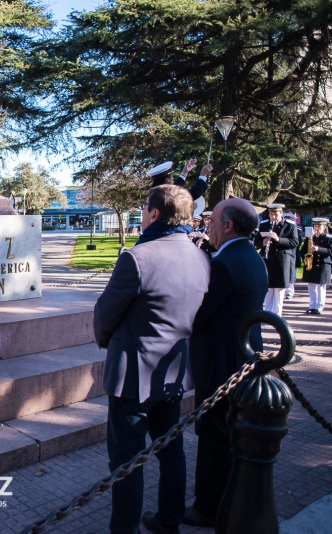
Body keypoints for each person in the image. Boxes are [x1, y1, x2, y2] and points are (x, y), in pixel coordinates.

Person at [93, 185, 211, 534]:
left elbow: (105, 314)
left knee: (126, 460)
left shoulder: (138, 257)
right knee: (171, 450)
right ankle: (168, 520)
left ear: (154, 214)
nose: (142, 213)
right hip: (173, 373)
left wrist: (103, 339)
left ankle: (125, 529)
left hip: (133, 374)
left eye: (144, 207)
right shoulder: (201, 256)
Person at [185, 197, 268, 527]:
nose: (209, 225)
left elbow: (199, 314)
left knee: (213, 434)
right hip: (243, 358)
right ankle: (226, 497)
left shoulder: (225, 264)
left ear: (228, 225)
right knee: (228, 435)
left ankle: (208, 506)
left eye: (213, 220)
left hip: (220, 363)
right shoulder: (252, 257)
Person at [252, 203, 299, 316]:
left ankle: (276, 315)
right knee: (268, 289)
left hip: (282, 260)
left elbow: (294, 242)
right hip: (268, 259)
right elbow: (255, 241)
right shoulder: (264, 225)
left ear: (281, 214)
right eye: (271, 214)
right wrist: (261, 243)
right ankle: (267, 314)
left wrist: (278, 239)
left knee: (278, 289)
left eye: (275, 214)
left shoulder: (290, 225)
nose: (273, 217)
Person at [300, 218, 332, 314]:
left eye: (319, 226)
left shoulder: (329, 238)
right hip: (311, 263)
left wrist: (318, 249)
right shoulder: (309, 237)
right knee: (311, 286)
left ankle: (319, 307)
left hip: (323, 264)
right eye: (315, 226)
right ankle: (312, 305)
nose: (316, 228)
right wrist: (304, 257)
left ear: (324, 227)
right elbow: (302, 250)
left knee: (320, 287)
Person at [146, 159, 212, 201]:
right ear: (167, 179)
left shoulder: (155, 195)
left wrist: (185, 172)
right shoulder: (168, 197)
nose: (173, 179)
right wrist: (203, 176)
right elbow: (190, 196)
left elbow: (175, 189)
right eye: (171, 177)